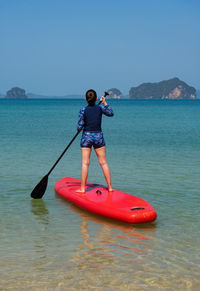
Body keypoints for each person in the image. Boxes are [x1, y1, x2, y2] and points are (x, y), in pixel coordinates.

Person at [76, 89, 114, 193]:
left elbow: (79, 128)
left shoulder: (83, 110)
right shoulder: (100, 108)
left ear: (86, 99)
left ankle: (83, 188)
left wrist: (82, 124)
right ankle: (110, 187)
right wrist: (105, 103)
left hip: (86, 137)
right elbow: (111, 113)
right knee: (103, 162)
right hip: (98, 137)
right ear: (96, 99)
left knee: (85, 163)